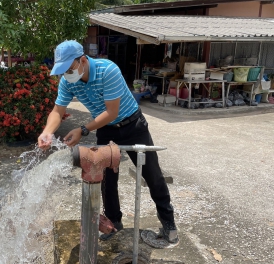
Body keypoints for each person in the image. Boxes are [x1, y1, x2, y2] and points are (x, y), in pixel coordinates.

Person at [38, 40, 179, 244]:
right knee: (106, 180)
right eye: (62, 71)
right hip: (105, 130)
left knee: (153, 175)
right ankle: (114, 222)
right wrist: (47, 132)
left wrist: (83, 130)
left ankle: (169, 225)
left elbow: (111, 112)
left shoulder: (108, 70)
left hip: (133, 126)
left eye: (69, 69)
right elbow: (57, 111)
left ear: (83, 60)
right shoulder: (68, 81)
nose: (66, 75)